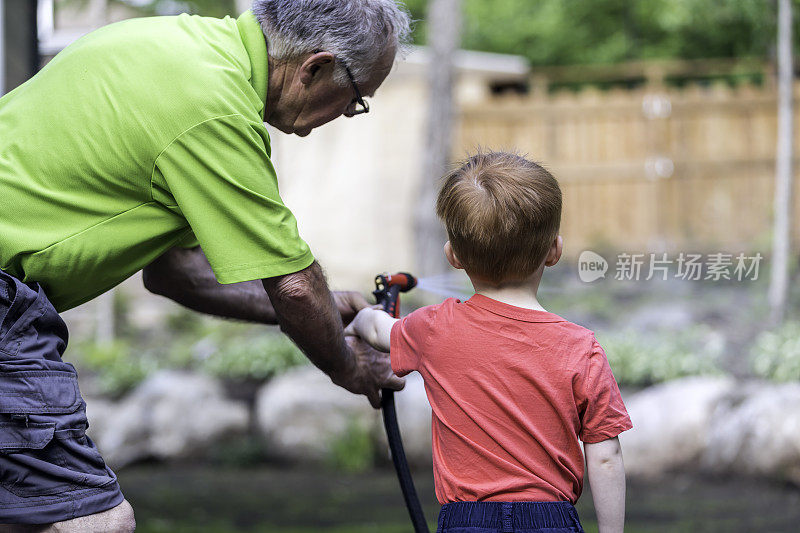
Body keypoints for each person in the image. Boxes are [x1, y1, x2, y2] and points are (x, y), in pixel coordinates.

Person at [0, 0, 410, 530]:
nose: (345, 117)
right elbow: (292, 286)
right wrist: (347, 365)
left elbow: (175, 273)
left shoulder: (172, 48)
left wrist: (329, 311)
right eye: (355, 101)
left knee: (23, 516)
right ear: (316, 68)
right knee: (94, 523)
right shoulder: (216, 108)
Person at [345, 151, 633, 533]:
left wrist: (361, 317)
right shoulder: (580, 347)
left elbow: (381, 331)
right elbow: (606, 456)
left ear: (454, 257)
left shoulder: (435, 328)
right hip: (551, 519)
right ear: (554, 251)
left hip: (467, 520)